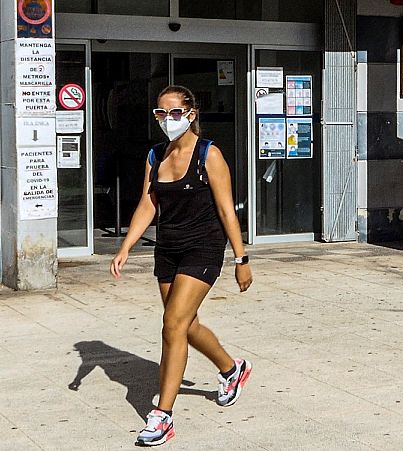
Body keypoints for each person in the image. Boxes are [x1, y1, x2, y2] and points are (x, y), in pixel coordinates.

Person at [110, 85, 253, 447]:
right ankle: (231, 369)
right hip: (168, 248)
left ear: (191, 114)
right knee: (186, 325)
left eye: (174, 113)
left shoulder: (209, 154)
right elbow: (148, 203)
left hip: (203, 247)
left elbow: (225, 209)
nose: (167, 120)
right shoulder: (155, 155)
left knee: (172, 324)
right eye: (161, 113)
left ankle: (163, 415)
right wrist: (125, 246)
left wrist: (241, 259)